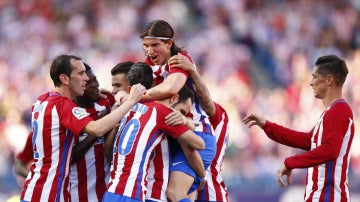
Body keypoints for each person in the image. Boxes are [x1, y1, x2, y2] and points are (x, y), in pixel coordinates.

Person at [20, 54, 145, 202]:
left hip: (34, 191)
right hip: (48, 195)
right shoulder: (63, 105)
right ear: (65, 79)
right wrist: (130, 102)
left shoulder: (42, 100)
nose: (86, 78)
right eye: (81, 73)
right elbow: (96, 128)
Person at [243, 55, 354, 202]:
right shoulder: (331, 112)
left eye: (315, 77)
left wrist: (292, 162)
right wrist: (267, 125)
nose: (311, 83)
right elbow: (306, 141)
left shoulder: (339, 111)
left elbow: (330, 150)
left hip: (328, 197)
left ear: (329, 80)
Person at [103, 62, 206, 202]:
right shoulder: (160, 112)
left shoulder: (126, 106)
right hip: (136, 193)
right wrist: (186, 121)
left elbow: (120, 94)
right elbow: (199, 144)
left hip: (111, 191)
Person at [140, 19, 216, 201]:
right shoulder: (149, 65)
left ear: (169, 44)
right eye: (145, 45)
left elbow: (172, 87)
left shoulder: (179, 60)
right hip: (174, 136)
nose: (150, 51)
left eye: (155, 45)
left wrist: (136, 97)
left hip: (197, 132)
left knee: (174, 193)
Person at [171, 56, 230, 202]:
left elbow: (194, 147)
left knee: (174, 192)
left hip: (208, 191)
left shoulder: (212, 114)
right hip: (196, 184)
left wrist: (192, 71)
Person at [68, 63, 115, 202]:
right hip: (79, 194)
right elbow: (71, 157)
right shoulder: (69, 113)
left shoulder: (106, 103)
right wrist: (99, 127)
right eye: (89, 83)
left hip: (107, 191)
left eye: (95, 80)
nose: (95, 85)